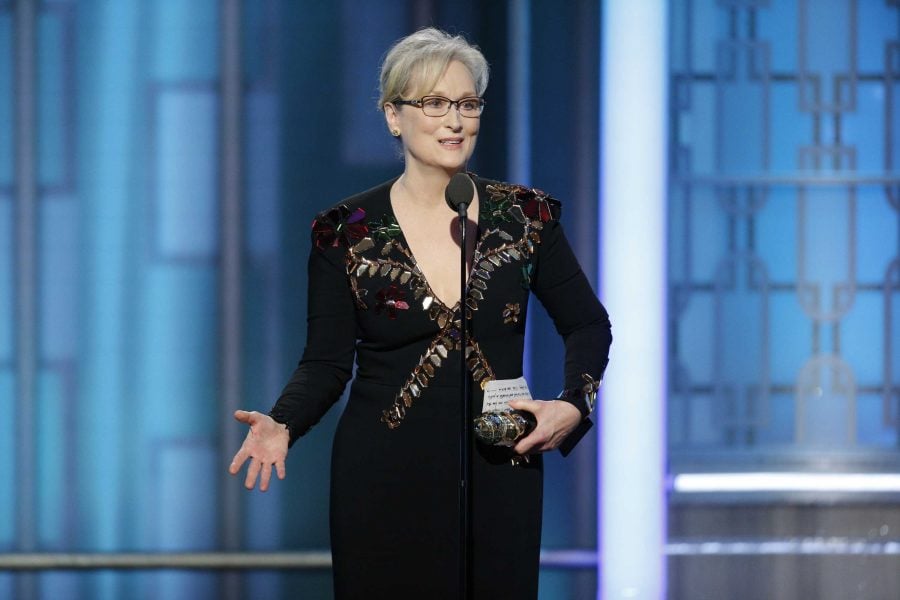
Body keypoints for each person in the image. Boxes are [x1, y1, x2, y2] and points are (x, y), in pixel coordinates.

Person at [228, 27, 611, 599]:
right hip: (382, 475)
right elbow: (327, 362)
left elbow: (588, 324)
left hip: (500, 466)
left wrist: (572, 406)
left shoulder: (526, 217)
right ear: (393, 115)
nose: (454, 120)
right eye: (434, 103)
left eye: (467, 103)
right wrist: (285, 421)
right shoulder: (345, 233)